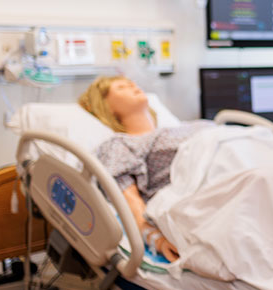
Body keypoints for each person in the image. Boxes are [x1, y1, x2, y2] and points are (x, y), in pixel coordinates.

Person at [78, 76, 211, 262]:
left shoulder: (186, 127)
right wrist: (153, 237)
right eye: (121, 87)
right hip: (211, 182)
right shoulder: (120, 144)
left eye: (131, 82)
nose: (132, 85)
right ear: (107, 106)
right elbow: (128, 200)